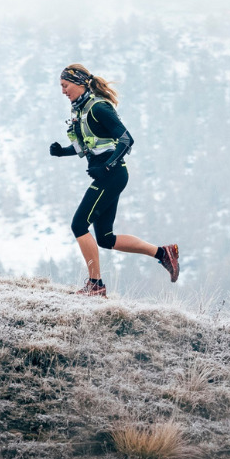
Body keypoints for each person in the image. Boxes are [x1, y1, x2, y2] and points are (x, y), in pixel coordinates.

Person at [48, 64, 178, 297]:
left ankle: (96, 285)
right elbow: (85, 145)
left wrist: (106, 166)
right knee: (105, 238)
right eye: (61, 87)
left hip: (112, 175)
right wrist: (62, 152)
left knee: (79, 225)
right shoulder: (80, 110)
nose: (63, 91)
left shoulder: (98, 107)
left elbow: (127, 139)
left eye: (65, 86)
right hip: (108, 175)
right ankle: (163, 253)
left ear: (79, 83)